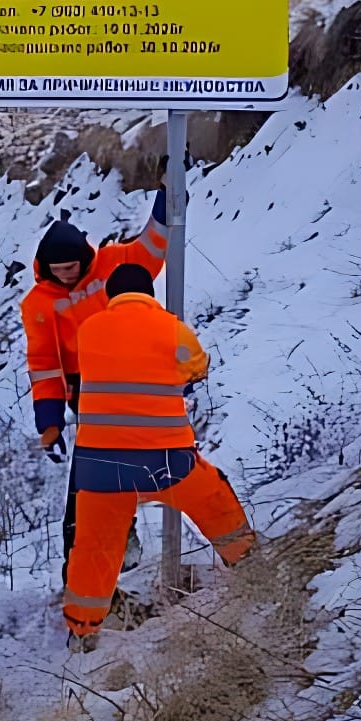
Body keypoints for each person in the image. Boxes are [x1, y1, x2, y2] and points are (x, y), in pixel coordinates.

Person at [60, 263, 254, 651]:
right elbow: (196, 369)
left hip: (99, 466)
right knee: (214, 499)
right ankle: (249, 566)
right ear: (150, 294)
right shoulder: (173, 329)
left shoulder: (89, 329)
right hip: (165, 461)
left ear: (111, 296)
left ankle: (82, 631)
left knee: (94, 548)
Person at [23, 188, 169, 559]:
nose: (64, 276)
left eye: (70, 268)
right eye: (56, 270)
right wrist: (49, 421)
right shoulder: (39, 304)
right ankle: (98, 545)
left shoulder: (114, 264)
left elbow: (153, 247)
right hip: (87, 392)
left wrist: (167, 194)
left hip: (137, 378)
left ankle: (109, 539)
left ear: (84, 258)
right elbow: (43, 362)